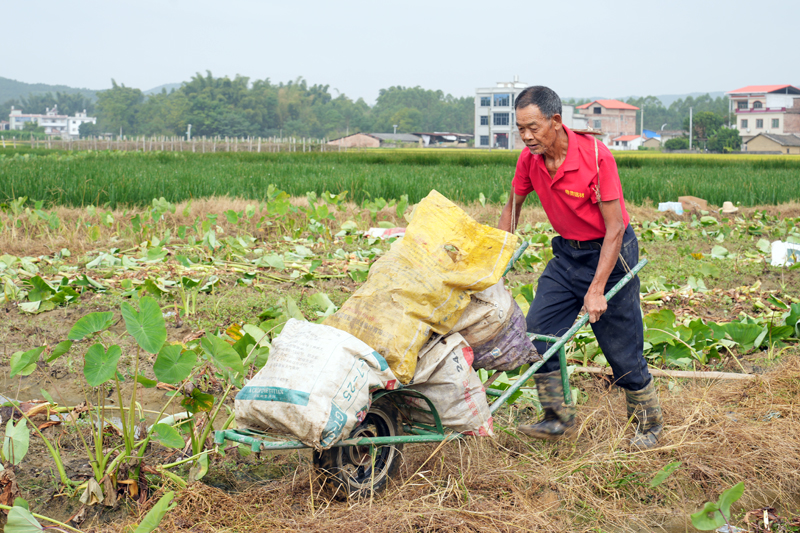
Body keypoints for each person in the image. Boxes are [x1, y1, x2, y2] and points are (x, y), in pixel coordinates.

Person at [498, 86, 663, 449]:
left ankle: (648, 427)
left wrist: (596, 288)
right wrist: (495, 260)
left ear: (556, 121)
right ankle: (557, 417)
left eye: (534, 127)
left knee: (621, 348)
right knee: (538, 335)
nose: (526, 136)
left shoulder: (595, 156)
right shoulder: (530, 158)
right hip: (567, 256)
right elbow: (514, 205)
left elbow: (616, 227)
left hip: (610, 255)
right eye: (520, 128)